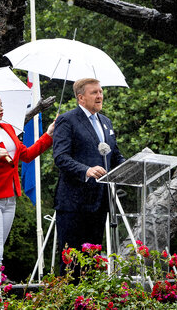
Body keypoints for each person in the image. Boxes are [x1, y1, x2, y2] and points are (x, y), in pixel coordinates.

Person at [0, 90, 55, 293]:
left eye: (1, 104)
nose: (1, 108)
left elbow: (27, 155)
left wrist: (48, 136)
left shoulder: (7, 129)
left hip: (9, 198)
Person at [52, 78, 125, 264]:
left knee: (92, 263)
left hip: (99, 202)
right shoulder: (67, 120)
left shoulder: (106, 122)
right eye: (94, 93)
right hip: (73, 204)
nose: (100, 96)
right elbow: (60, 157)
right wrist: (86, 170)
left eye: (100, 92)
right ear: (81, 98)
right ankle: (70, 294)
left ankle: (90, 295)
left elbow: (114, 156)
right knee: (72, 262)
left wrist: (131, 166)